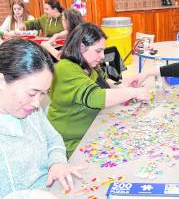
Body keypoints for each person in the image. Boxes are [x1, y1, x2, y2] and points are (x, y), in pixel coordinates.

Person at [47, 22, 150, 158]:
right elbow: (96, 97)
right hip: (68, 145)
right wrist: (133, 92)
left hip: (89, 132)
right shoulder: (66, 68)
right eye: (98, 50)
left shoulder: (87, 66)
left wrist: (123, 89)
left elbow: (103, 85)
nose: (102, 56)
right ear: (81, 47)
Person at [0, 38, 83, 199]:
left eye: (43, 93)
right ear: (2, 81)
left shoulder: (30, 109)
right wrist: (27, 196)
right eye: (32, 93)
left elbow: (53, 138)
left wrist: (57, 162)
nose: (37, 103)